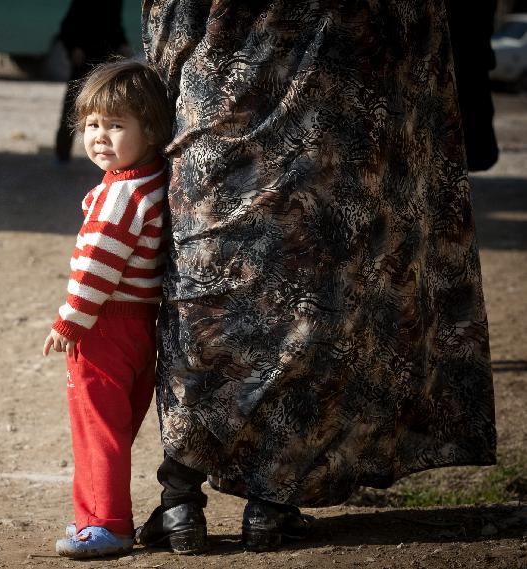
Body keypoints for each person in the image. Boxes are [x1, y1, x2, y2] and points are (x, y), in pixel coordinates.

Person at [136, 0, 497, 554]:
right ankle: (272, 502)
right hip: (337, 124)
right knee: (308, 310)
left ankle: (181, 499)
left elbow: (172, 21)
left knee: (206, 306)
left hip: (223, 122)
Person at [41, 58, 172, 558]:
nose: (99, 137)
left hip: (104, 327)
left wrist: (69, 320)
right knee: (116, 430)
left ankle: (104, 524)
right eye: (92, 125)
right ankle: (109, 516)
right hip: (141, 325)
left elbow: (97, 266)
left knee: (97, 433)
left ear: (151, 130)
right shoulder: (153, 182)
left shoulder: (118, 195)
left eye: (116, 126)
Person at [53, 0, 130, 162]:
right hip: (84, 60)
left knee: (107, 108)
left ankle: (108, 153)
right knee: (73, 106)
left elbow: (115, 26)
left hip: (105, 60)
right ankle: (62, 154)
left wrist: (123, 43)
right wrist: (74, 48)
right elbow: (67, 27)